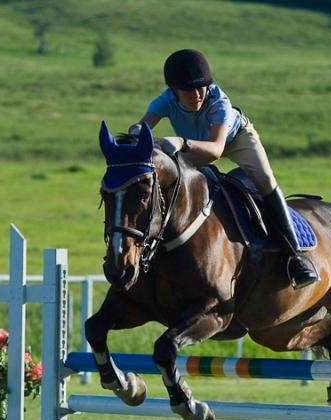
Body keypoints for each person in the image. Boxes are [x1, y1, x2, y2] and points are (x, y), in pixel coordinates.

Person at [129, 49, 319, 289]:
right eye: (189, 90)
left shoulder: (219, 102)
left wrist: (182, 143)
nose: (198, 95)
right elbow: (143, 124)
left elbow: (216, 150)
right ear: (174, 90)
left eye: (203, 88)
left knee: (265, 180)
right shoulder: (165, 100)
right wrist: (137, 131)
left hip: (235, 139)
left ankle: (295, 256)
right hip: (196, 147)